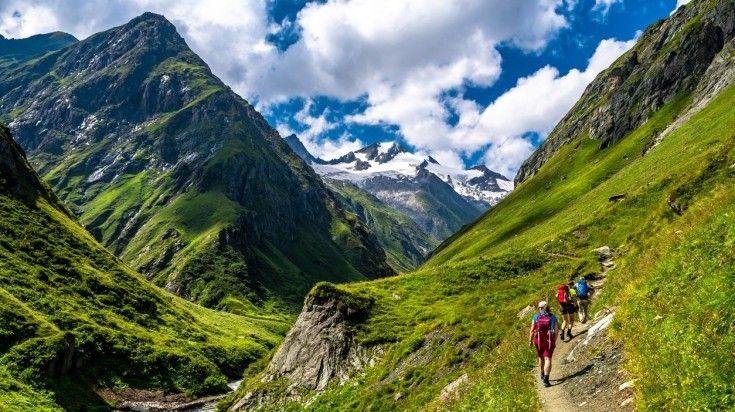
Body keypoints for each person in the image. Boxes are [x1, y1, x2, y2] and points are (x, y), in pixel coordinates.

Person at [529, 301, 558, 387]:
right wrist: (554, 341)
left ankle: (542, 373)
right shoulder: (553, 317)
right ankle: (546, 378)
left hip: (538, 340)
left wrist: (530, 341)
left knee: (540, 357)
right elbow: (556, 331)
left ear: (539, 308)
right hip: (549, 340)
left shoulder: (536, 316)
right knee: (547, 359)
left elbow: (531, 330)